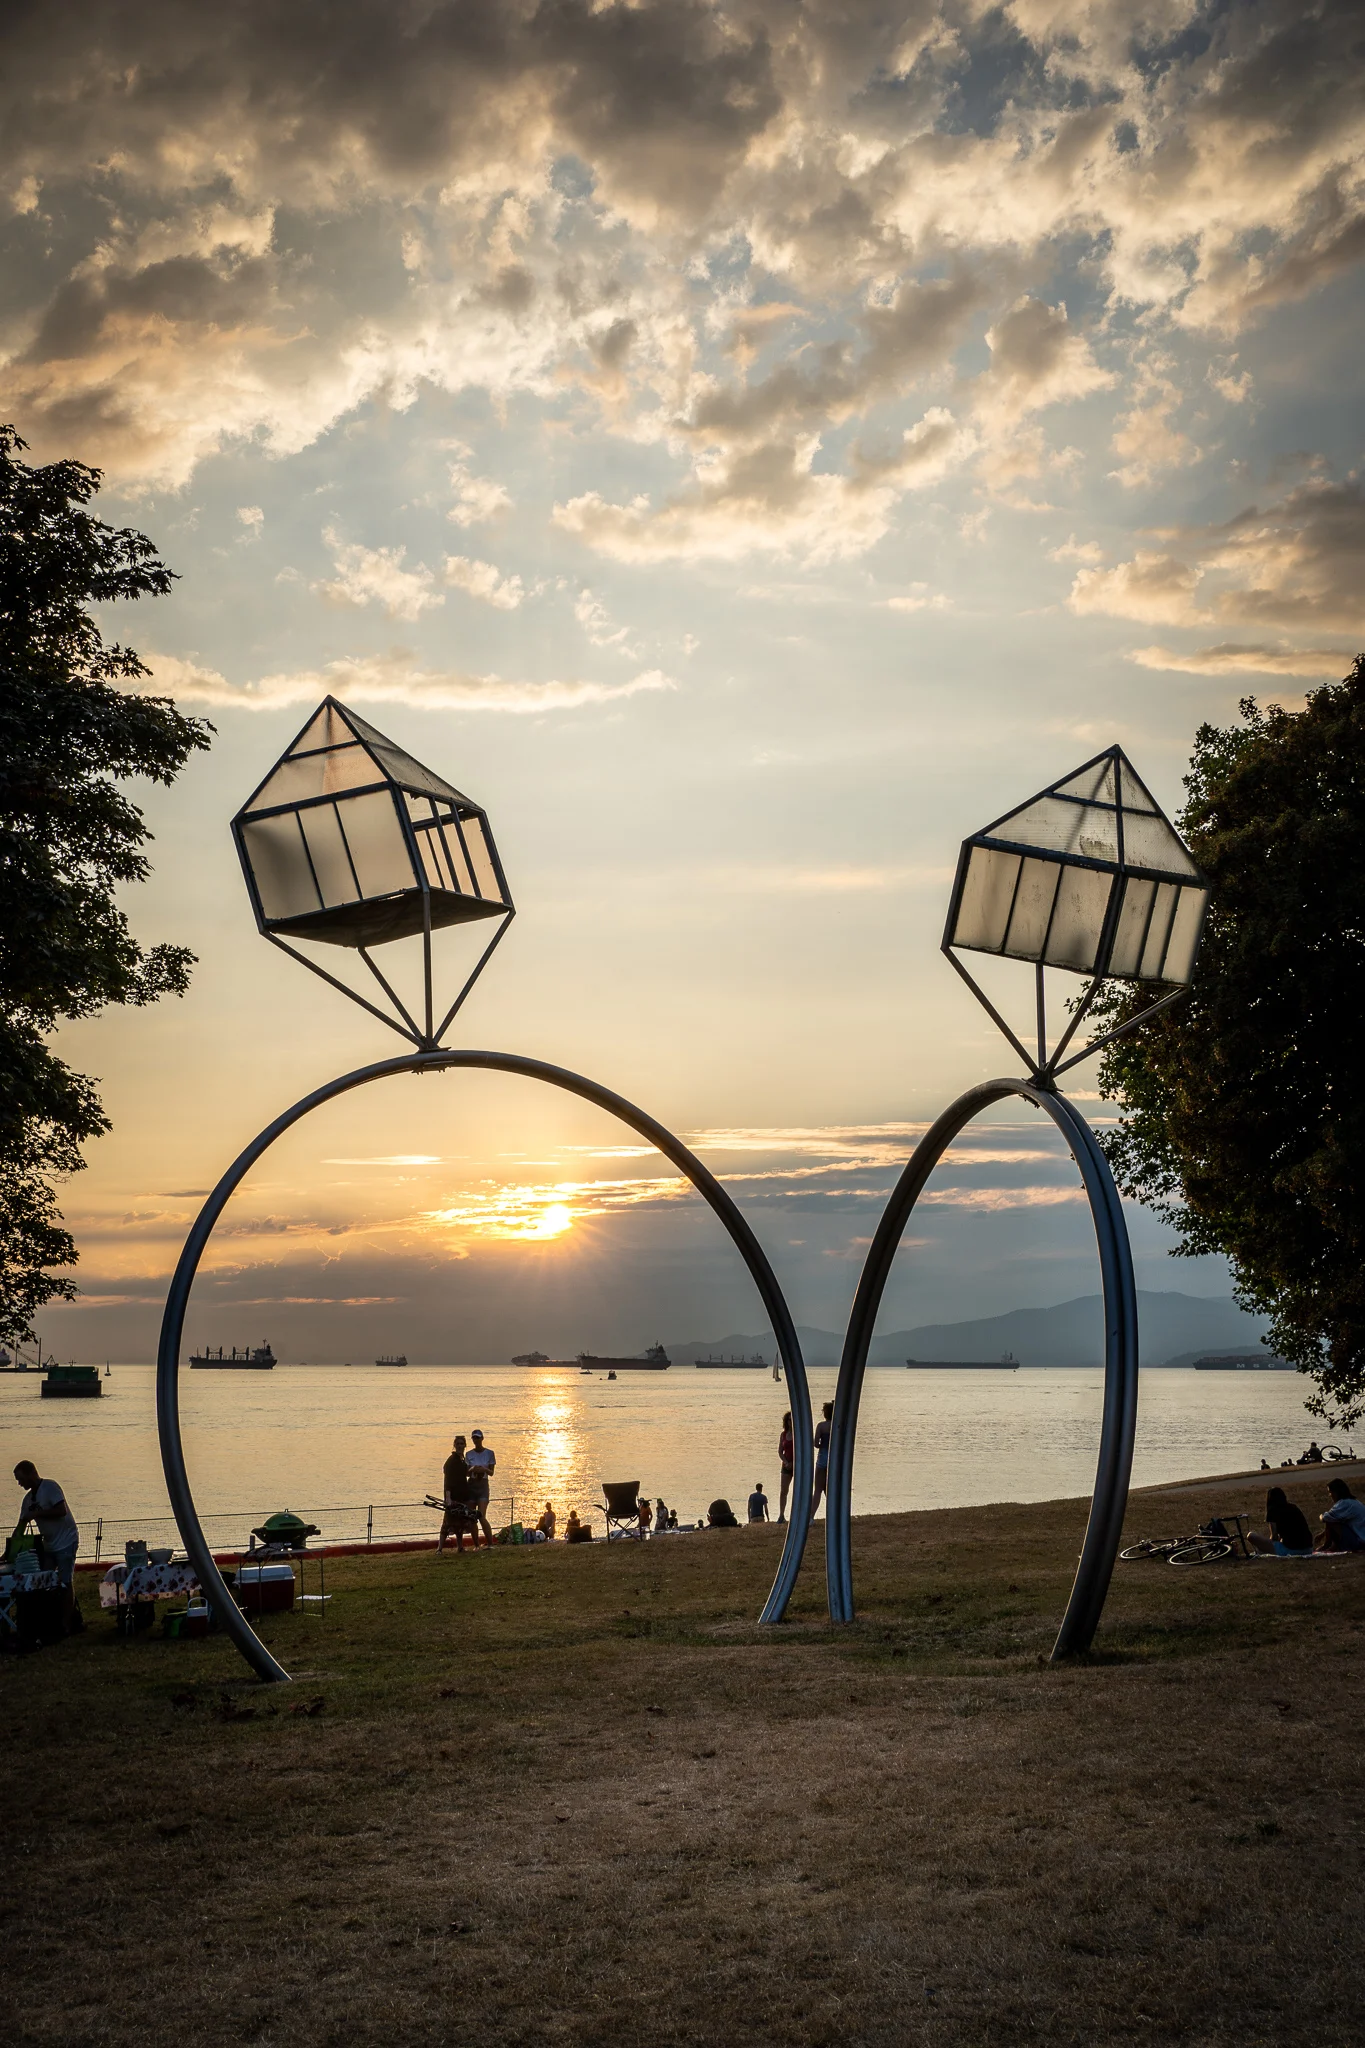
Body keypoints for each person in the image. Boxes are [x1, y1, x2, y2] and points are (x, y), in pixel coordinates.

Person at [11, 1461, 79, 1628]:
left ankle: (66, 1624)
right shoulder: (27, 1500)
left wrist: (37, 1514)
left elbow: (61, 1510)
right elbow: (20, 1527)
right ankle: (49, 1620)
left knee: (65, 1581)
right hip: (49, 1545)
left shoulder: (50, 1487)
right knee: (44, 1579)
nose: (19, 1484)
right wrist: (9, 1551)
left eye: (20, 1479)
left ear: (31, 1474)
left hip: (66, 1541)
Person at [1247, 1486, 1314, 1556]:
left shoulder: (1272, 1511)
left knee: (1251, 1536)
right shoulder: (1293, 1507)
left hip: (1291, 1550)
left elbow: (1274, 1537)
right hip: (1308, 1549)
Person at [439, 1437, 476, 1554]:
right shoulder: (452, 1460)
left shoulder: (461, 1460)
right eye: (458, 1444)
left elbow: (464, 1473)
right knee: (447, 1523)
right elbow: (448, 1480)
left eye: (462, 1444)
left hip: (462, 1495)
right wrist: (448, 1497)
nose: (460, 1446)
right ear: (454, 1445)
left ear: (465, 1445)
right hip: (453, 1496)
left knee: (460, 1522)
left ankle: (460, 1547)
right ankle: (439, 1548)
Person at [466, 1429, 496, 1546]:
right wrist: (473, 1469)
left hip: (483, 1484)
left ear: (482, 1438)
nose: (476, 1440)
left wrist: (483, 1469)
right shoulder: (469, 1454)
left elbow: (491, 1472)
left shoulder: (489, 1453)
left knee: (482, 1516)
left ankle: (490, 1543)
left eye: (478, 1438)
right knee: (472, 1517)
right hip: (472, 1484)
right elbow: (467, 1473)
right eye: (474, 1438)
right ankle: (476, 1545)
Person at [1319, 1478, 1365, 1551]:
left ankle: (1326, 1546)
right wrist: (1322, 1534)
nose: (1330, 1495)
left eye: (1330, 1492)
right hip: (1361, 1538)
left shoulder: (1344, 1503)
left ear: (1336, 1492)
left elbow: (1327, 1518)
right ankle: (1333, 1546)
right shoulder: (1353, 1502)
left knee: (1331, 1520)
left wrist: (1321, 1516)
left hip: (1360, 1542)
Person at [811, 1401, 833, 1514]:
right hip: (834, 1458)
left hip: (822, 1456)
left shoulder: (821, 1426)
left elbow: (815, 1443)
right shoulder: (836, 1425)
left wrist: (821, 1445)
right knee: (831, 1490)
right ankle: (834, 1513)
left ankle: (811, 1516)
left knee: (818, 1489)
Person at [777, 1412, 794, 1524]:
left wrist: (794, 1462)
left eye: (791, 1420)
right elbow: (780, 1451)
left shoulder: (798, 1434)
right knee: (784, 1491)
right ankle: (781, 1515)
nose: (790, 1422)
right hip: (786, 1466)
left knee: (798, 1490)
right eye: (788, 1420)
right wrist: (786, 1461)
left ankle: (796, 1513)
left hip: (797, 1465)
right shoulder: (783, 1435)